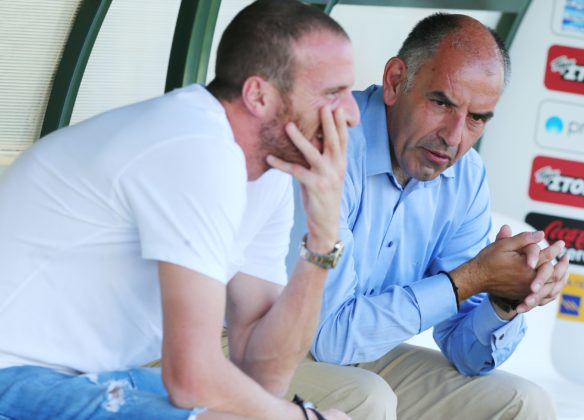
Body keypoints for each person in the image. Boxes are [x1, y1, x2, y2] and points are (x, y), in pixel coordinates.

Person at [0, 1, 360, 418]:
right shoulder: (195, 145)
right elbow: (192, 378)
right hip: (13, 372)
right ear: (258, 95)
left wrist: (322, 239)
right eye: (333, 94)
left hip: (79, 377)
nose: (352, 115)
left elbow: (263, 375)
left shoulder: (268, 175)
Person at [288, 13, 570, 420]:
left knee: (525, 404)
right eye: (441, 103)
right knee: (367, 397)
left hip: (355, 353)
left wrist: (503, 300)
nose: (454, 137)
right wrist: (469, 279)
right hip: (245, 346)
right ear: (395, 81)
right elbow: (329, 338)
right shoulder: (327, 144)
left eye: (476, 118)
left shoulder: (466, 176)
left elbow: (466, 354)